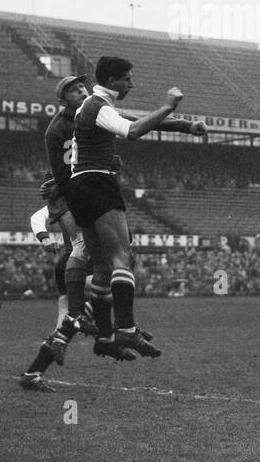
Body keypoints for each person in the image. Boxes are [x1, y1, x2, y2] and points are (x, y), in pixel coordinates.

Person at [68, 56, 205, 361]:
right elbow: (133, 131)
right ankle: (126, 328)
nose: (132, 84)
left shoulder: (92, 105)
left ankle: (105, 337)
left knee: (103, 267)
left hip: (79, 186)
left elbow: (133, 120)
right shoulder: (98, 107)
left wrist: (185, 125)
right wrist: (169, 105)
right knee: (123, 257)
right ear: (113, 81)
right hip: (97, 183)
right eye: (128, 79)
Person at [19, 75, 124, 391]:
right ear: (63, 98)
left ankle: (36, 370)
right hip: (73, 206)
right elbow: (62, 168)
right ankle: (105, 331)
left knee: (72, 319)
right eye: (74, 89)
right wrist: (61, 186)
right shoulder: (58, 128)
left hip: (76, 234)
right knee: (99, 261)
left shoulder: (90, 119)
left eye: (83, 87)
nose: (81, 91)